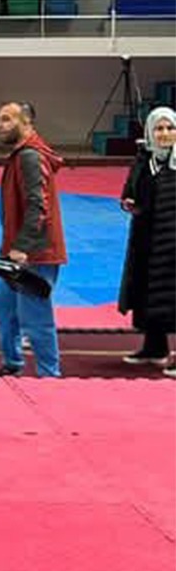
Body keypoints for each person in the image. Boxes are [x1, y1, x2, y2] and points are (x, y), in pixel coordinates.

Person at [0, 101, 66, 378]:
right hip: (18, 249)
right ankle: (13, 363)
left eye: (6, 119)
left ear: (26, 122)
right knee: (3, 303)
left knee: (35, 314)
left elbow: (38, 204)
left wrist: (22, 246)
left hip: (35, 252)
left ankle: (49, 374)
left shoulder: (30, 157)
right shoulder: (22, 155)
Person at [118, 106, 176, 376]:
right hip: (148, 238)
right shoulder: (144, 161)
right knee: (149, 292)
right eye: (159, 128)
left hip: (173, 238)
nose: (164, 133)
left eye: (170, 128)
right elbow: (130, 192)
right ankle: (154, 347)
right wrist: (129, 202)